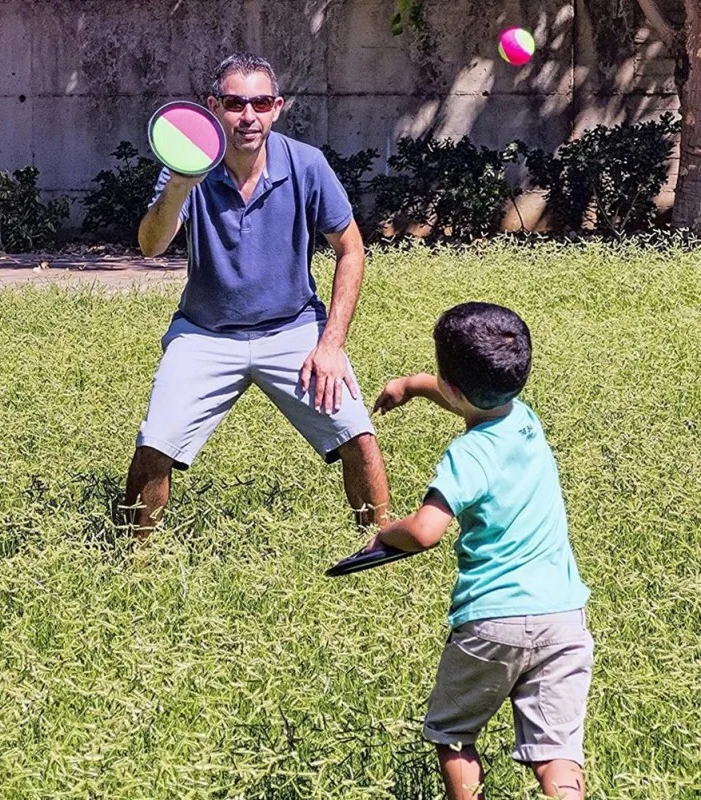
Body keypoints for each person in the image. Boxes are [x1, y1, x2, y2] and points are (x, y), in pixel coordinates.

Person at [125, 52, 389, 538]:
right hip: (204, 334)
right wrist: (181, 186)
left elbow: (352, 250)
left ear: (277, 107)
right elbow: (150, 245)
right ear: (213, 107)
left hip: (293, 330)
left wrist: (330, 345)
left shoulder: (306, 165)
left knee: (359, 435)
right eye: (234, 103)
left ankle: (381, 550)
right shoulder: (186, 162)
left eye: (260, 103)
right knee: (154, 443)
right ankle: (133, 566)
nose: (248, 116)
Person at [370, 302, 593, 800]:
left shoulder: (466, 456)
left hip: (492, 623)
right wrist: (412, 384)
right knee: (557, 751)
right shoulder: (525, 420)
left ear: (452, 387)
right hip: (563, 618)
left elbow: (426, 531)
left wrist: (386, 532)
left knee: (453, 735)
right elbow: (466, 400)